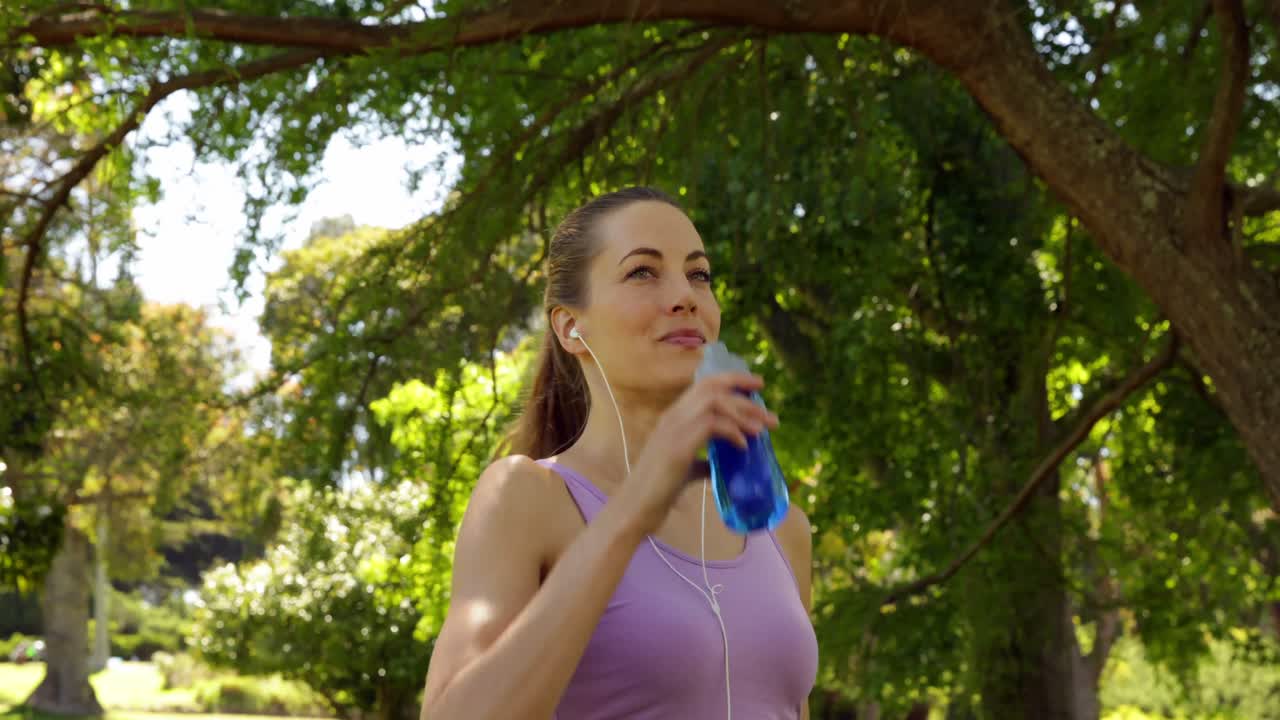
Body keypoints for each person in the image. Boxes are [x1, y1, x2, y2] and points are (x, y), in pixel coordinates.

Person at [418, 187, 818, 720]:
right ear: (571, 327)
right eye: (643, 273)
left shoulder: (782, 527)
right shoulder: (525, 497)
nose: (686, 296)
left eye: (699, 275)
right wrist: (630, 513)